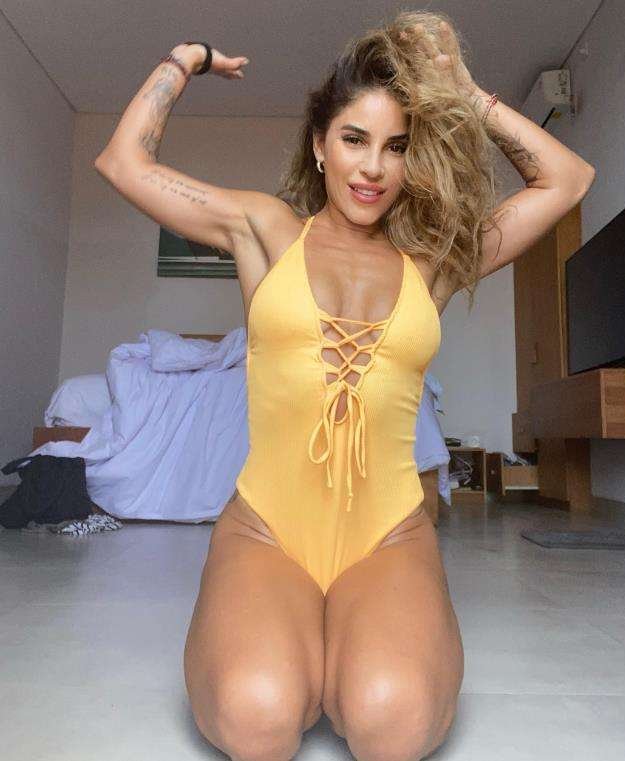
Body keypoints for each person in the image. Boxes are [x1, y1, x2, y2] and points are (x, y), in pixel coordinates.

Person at [94, 10, 595, 760]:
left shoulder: (435, 260)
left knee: (393, 722)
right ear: (320, 145)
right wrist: (186, 59)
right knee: (257, 716)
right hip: (267, 529)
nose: (373, 168)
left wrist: (461, 88)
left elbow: (567, 179)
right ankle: (302, 644)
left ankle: (346, 646)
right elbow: (124, 162)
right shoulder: (264, 230)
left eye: (397, 146)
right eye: (355, 140)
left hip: (387, 534)